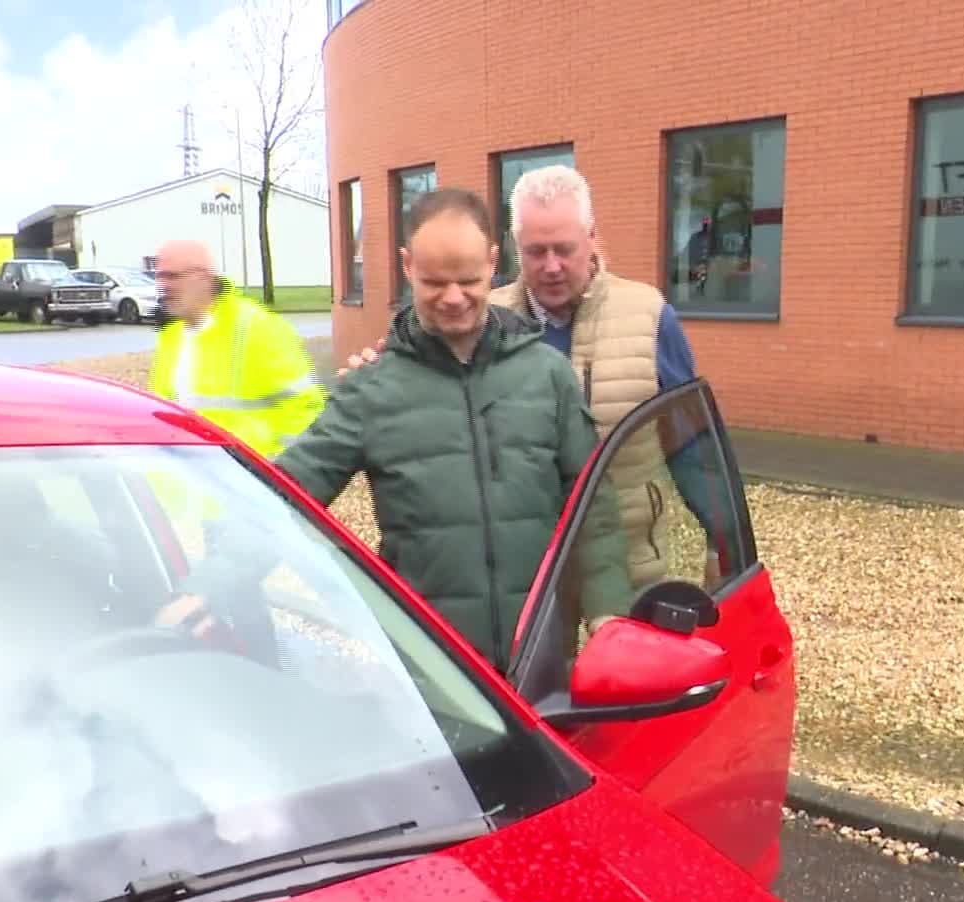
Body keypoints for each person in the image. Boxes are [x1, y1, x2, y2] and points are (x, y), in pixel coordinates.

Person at [211, 186, 631, 673]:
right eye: (434, 282)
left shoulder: (548, 375)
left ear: (493, 262)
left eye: (469, 279)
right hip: (435, 671)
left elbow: (593, 509)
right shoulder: (371, 390)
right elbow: (285, 494)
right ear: (407, 265)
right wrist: (215, 583)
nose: (453, 298)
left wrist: (608, 619)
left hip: (540, 657)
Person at [339, 165, 726, 593]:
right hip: (525, 588)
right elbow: (419, 377)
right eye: (536, 251)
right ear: (511, 249)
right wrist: (373, 374)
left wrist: (722, 542)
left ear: (592, 237)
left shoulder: (650, 317)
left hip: (631, 570)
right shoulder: (477, 316)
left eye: (565, 249)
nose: (552, 266)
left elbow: (692, 442)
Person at [146, 239, 326, 461]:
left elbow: (305, 410)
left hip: (246, 485)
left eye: (173, 276)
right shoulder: (171, 335)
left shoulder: (258, 328)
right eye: (160, 276)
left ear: (203, 278)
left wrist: (279, 476)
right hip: (188, 485)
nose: (164, 285)